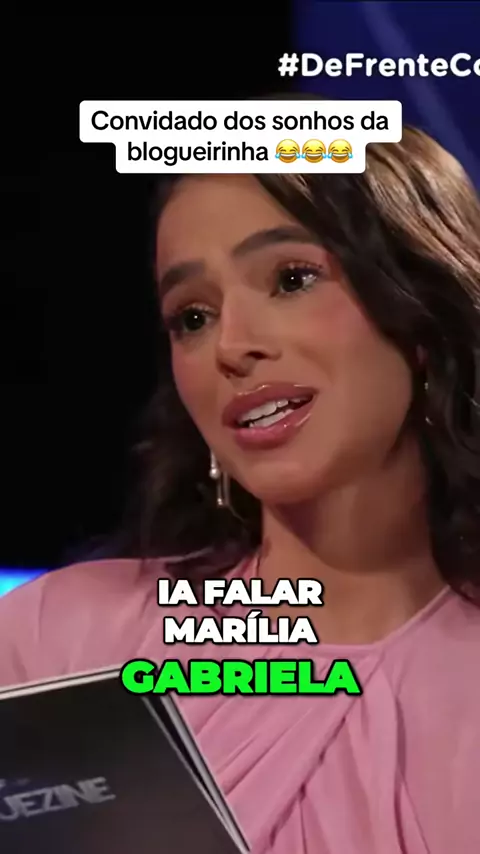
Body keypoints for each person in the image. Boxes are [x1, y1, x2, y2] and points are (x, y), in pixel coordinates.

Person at [1, 126, 479, 854]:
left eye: (291, 279)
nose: (230, 346)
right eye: (193, 317)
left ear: (420, 308)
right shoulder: (58, 641)